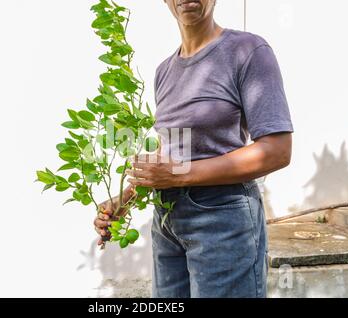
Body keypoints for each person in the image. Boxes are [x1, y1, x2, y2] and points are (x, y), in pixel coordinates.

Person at [94, 0, 294, 298]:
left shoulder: (248, 51)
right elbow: (172, 151)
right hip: (168, 222)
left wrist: (179, 175)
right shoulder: (164, 71)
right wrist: (126, 197)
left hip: (222, 219)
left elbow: (277, 150)